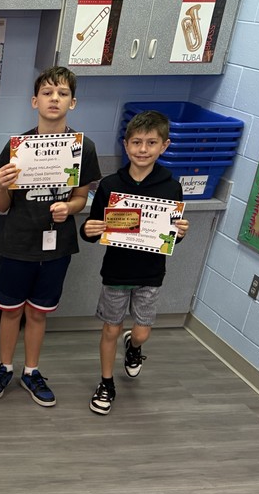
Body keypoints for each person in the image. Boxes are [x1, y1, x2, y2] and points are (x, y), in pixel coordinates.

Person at [0, 66, 101, 408]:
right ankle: (5, 367)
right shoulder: (18, 147)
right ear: (35, 101)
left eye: (62, 93)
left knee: (38, 313)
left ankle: (31, 371)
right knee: (9, 310)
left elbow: (81, 196)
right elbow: (2, 205)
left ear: (73, 102)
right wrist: (3, 185)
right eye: (48, 93)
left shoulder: (83, 148)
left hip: (56, 246)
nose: (54, 99)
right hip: (18, 242)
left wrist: (71, 208)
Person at [80, 110, 190, 415]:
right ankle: (105, 383)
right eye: (137, 142)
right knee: (110, 330)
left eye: (151, 143)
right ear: (126, 145)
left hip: (150, 274)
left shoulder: (171, 187)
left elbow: (171, 237)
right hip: (116, 272)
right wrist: (87, 230)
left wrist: (180, 232)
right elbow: (93, 228)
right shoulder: (110, 185)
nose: (143, 149)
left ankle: (135, 347)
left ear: (164, 146)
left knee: (140, 331)